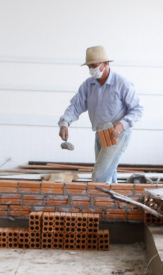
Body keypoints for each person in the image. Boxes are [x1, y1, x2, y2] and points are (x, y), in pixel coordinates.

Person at [58, 46, 143, 184]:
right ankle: (113, 203)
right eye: (89, 66)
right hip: (100, 132)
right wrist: (64, 123)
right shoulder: (88, 85)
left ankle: (97, 204)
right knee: (108, 173)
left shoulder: (121, 83)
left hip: (117, 134)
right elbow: (75, 106)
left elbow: (138, 109)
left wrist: (122, 124)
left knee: (99, 175)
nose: (91, 69)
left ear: (106, 63)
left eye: (94, 65)